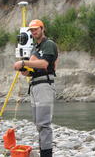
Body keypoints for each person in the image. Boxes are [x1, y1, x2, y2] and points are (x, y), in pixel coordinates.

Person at [13, 19, 58, 157]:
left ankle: (46, 154)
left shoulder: (48, 44)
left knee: (44, 123)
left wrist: (23, 62)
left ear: (42, 29)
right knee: (38, 123)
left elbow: (44, 64)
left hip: (45, 85)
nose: (34, 32)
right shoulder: (35, 48)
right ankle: (43, 151)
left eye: (36, 29)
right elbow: (31, 69)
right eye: (31, 30)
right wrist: (25, 70)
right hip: (34, 85)